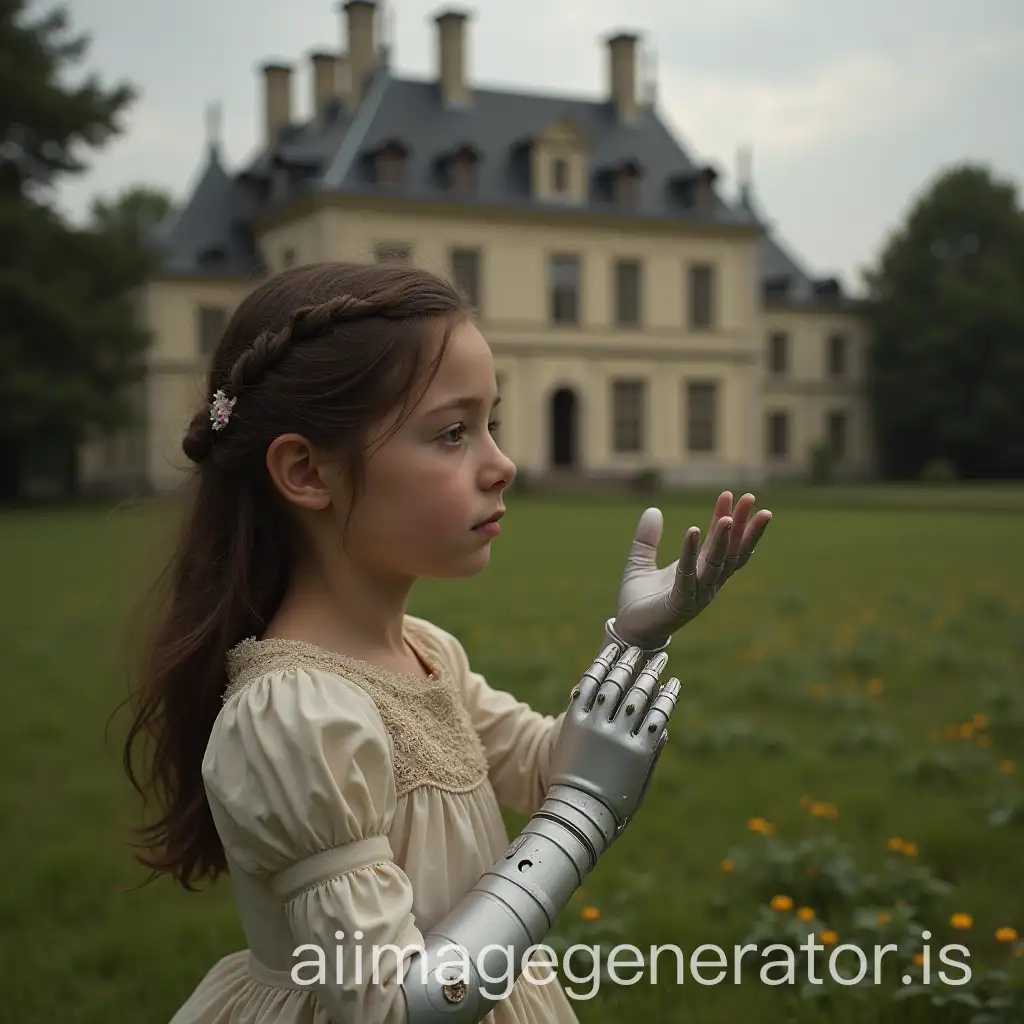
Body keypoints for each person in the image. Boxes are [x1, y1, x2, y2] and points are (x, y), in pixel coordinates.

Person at [120, 261, 772, 1024]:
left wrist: (631, 641)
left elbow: (542, 766)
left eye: (492, 423)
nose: (503, 465)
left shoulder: (427, 652)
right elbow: (397, 1008)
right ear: (306, 470)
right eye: (453, 432)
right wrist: (580, 820)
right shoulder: (293, 717)